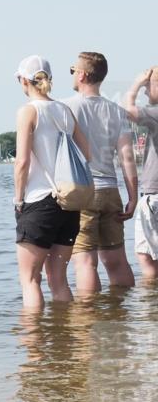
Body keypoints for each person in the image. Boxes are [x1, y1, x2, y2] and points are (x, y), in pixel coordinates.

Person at [13, 55, 92, 310]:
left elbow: (22, 163)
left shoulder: (29, 111)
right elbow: (87, 155)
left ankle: (34, 347)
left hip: (39, 202)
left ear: (23, 80)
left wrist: (18, 200)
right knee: (58, 279)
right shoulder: (65, 111)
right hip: (68, 203)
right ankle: (65, 341)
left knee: (30, 280)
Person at [62, 52, 136, 292]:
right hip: (111, 191)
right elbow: (126, 156)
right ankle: (121, 317)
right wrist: (133, 197)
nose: (72, 75)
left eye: (73, 70)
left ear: (82, 74)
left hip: (83, 190)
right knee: (116, 260)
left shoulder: (66, 107)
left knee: (85, 262)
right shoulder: (115, 110)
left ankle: (88, 323)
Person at [122, 66, 158, 281]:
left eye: (149, 86)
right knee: (147, 253)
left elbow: (129, 111)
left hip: (154, 193)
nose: (145, 91)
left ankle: (151, 306)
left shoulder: (155, 113)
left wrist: (135, 85)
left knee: (145, 255)